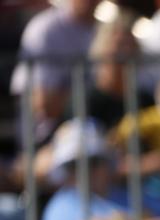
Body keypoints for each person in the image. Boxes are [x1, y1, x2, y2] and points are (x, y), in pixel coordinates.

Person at [10, 0, 99, 148]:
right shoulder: (45, 28)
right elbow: (44, 104)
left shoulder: (106, 28)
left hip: (96, 134)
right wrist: (96, 93)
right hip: (45, 140)